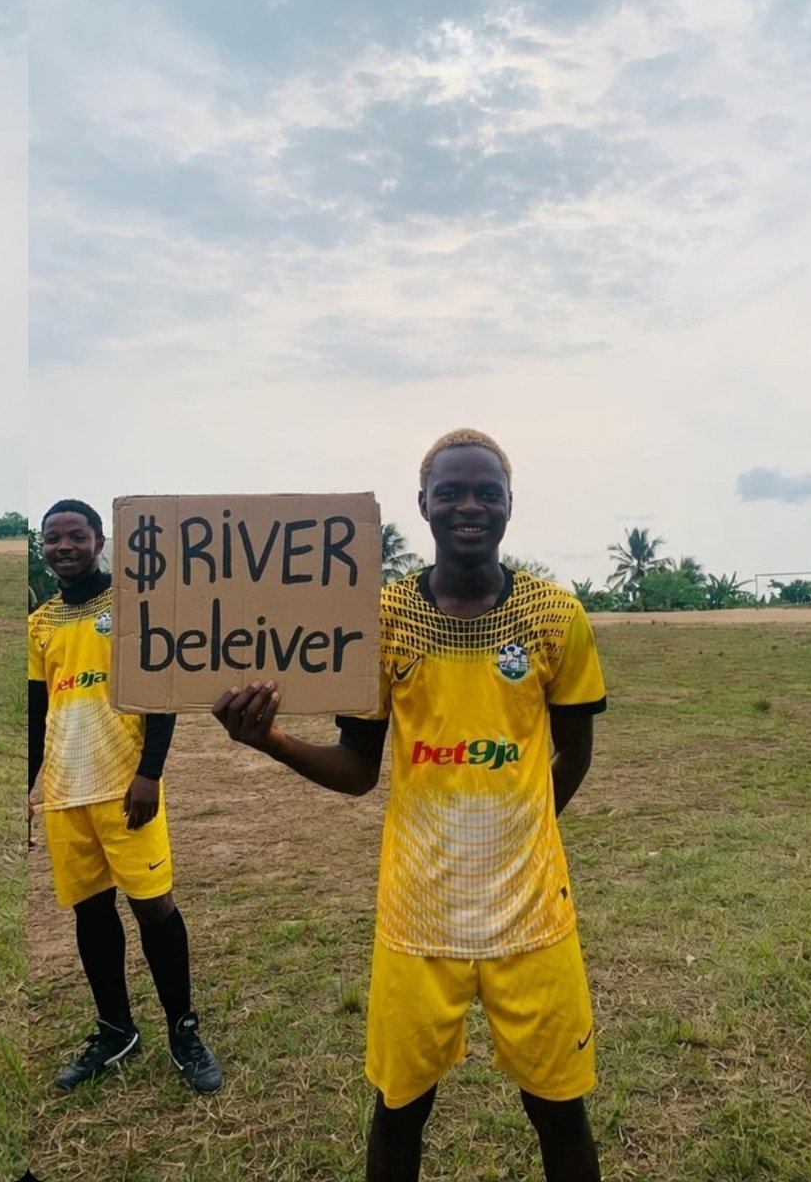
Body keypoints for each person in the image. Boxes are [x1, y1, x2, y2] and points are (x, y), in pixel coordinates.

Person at [213, 429, 607, 1180]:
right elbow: (361, 769)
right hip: (417, 913)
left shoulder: (557, 616)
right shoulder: (382, 618)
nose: (470, 506)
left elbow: (574, 754)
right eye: (451, 491)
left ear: (510, 506)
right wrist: (269, 742)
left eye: (487, 492)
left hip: (533, 915)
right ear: (422, 504)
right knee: (399, 1110)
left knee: (559, 1109)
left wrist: (523, 832)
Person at [28, 499, 222, 1094]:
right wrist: (26, 786)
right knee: (90, 909)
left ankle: (183, 1028)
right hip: (67, 791)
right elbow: (38, 713)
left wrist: (150, 774)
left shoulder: (134, 605)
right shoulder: (41, 622)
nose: (64, 546)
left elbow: (160, 693)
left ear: (99, 538)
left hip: (124, 788)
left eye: (76, 536)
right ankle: (115, 1028)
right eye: (53, 538)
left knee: (153, 906)